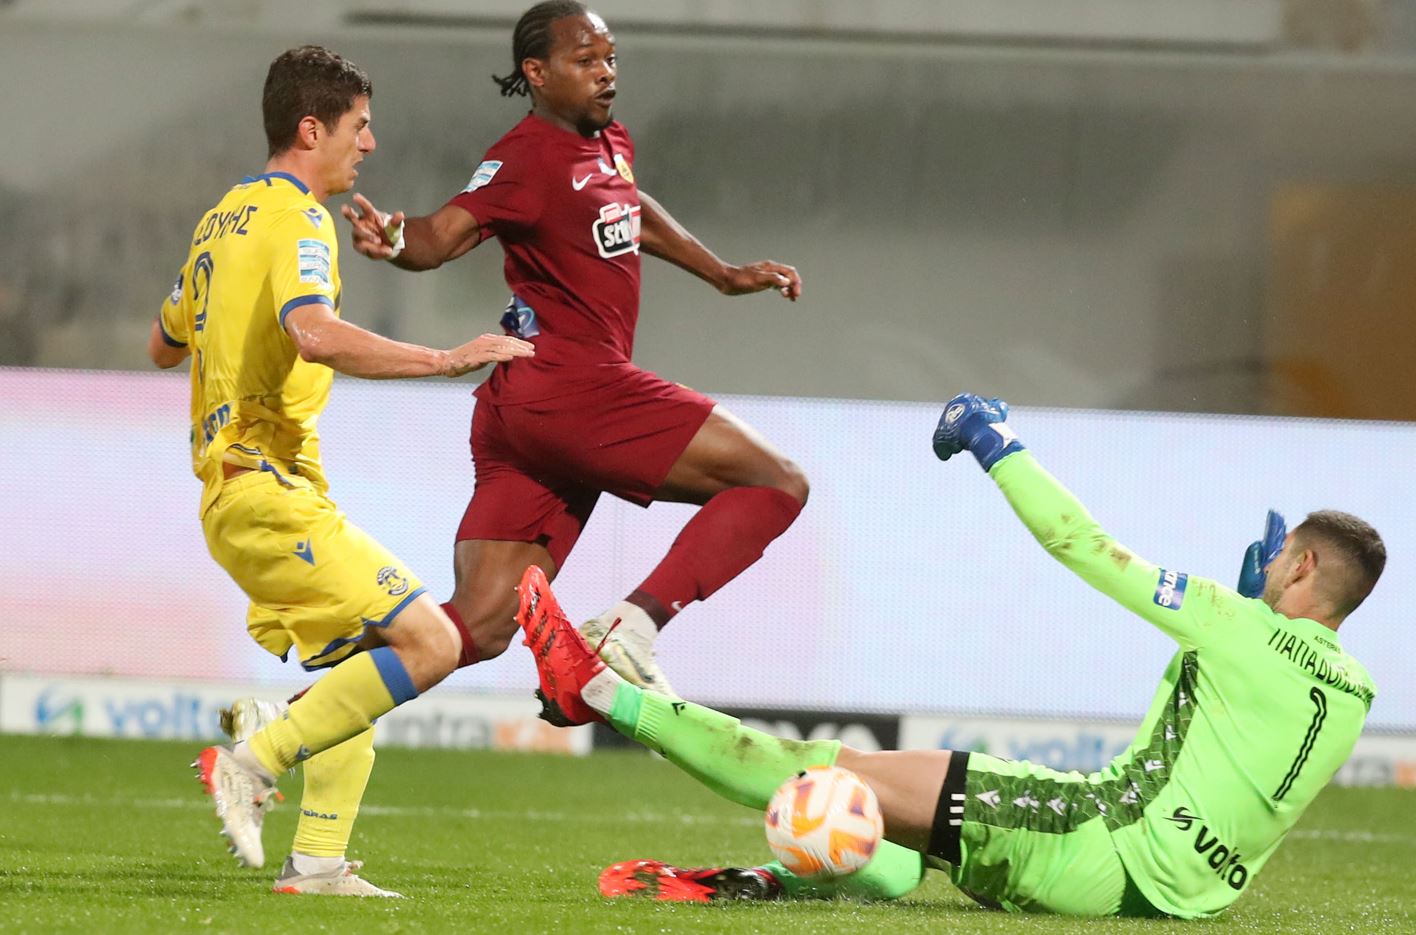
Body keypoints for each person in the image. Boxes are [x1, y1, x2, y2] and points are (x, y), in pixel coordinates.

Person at [513, 393, 1384, 918]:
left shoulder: (1234, 626)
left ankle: (600, 692)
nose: (1271, 565)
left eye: (1282, 557)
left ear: (1304, 564)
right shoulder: (1352, 690)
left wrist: (995, 443)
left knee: (835, 772)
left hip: (1095, 842)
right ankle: (776, 882)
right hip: (1175, 898)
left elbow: (1082, 544)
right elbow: (1247, 713)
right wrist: (1248, 608)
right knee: (911, 827)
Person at [149, 45, 534, 896]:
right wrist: (445, 358)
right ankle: (256, 757)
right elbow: (314, 332)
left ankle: (318, 862)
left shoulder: (220, 219)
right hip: (263, 488)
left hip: (235, 495)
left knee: (365, 660)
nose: (370, 143)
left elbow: (162, 342)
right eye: (359, 126)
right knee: (433, 641)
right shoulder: (298, 219)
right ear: (309, 129)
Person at [340, 0, 808, 696]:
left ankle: (281, 721)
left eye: (610, 58)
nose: (606, 73)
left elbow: (631, 208)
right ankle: (632, 628)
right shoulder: (523, 158)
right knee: (777, 482)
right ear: (537, 72)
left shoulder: (610, 139)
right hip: (571, 385)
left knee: (479, 625)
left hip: (523, 412)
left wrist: (722, 273)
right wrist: (398, 238)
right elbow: (441, 235)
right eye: (586, 61)